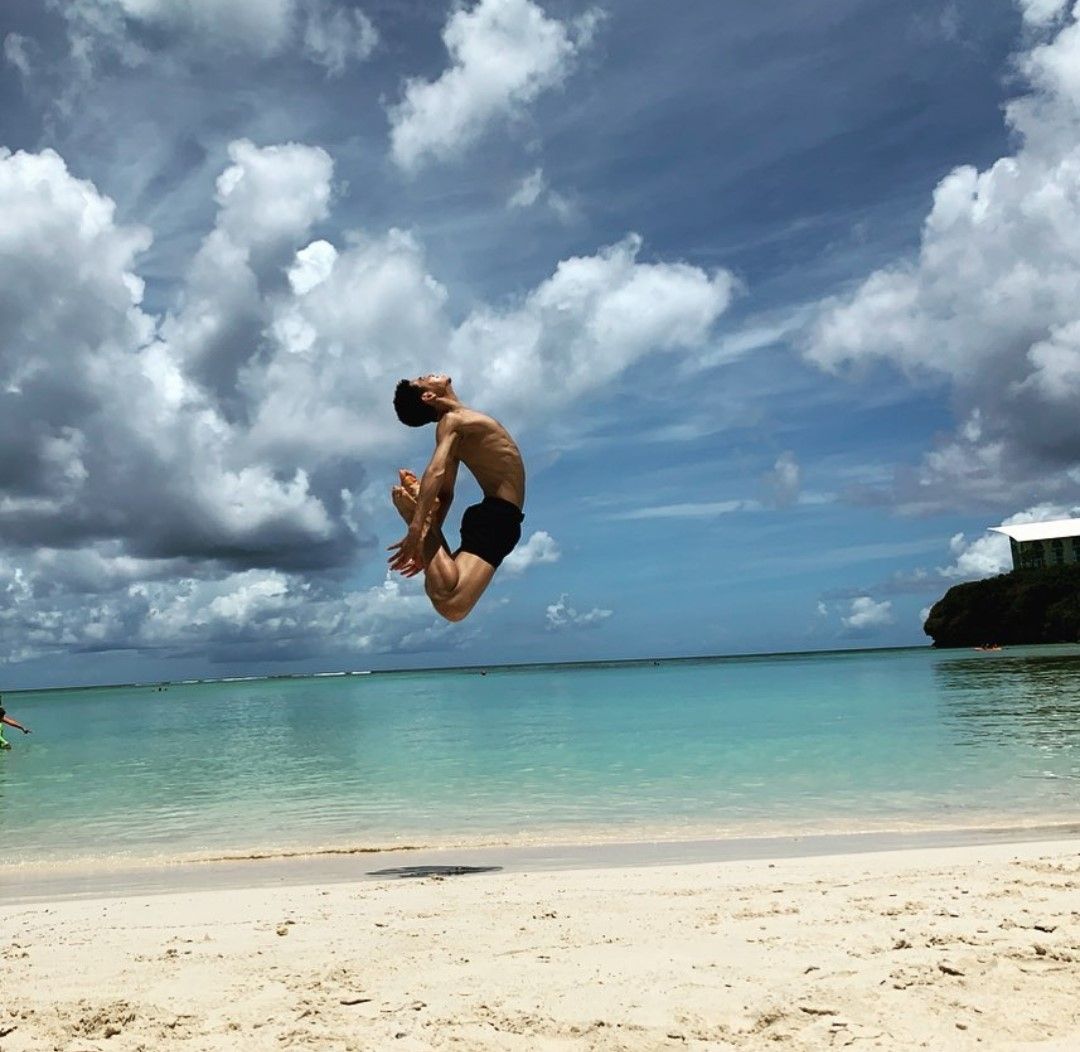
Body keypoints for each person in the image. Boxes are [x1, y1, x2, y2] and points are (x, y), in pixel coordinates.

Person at [390, 374, 525, 622]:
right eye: (423, 379)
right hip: (498, 517)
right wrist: (417, 525)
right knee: (449, 604)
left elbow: (445, 493)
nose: (428, 374)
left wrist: (425, 548)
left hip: (497, 516)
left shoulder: (459, 422)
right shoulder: (451, 422)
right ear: (428, 396)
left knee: (443, 593)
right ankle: (417, 520)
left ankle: (424, 531)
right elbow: (437, 472)